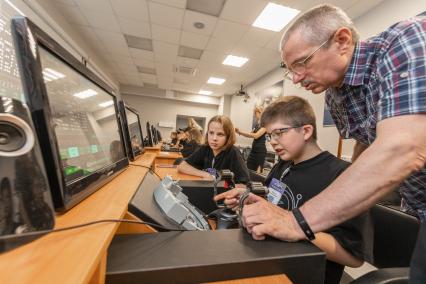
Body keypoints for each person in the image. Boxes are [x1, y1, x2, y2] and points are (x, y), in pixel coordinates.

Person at [241, 4, 425, 282]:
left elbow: (405, 148)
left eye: (302, 63)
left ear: (341, 41)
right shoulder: (336, 96)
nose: (297, 78)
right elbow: (367, 143)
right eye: (291, 70)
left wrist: (295, 222)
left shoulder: (403, 40)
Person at [216, 96, 367, 284]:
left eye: (279, 132)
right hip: (265, 259)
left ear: (306, 131)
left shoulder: (341, 175)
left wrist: (291, 226)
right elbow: (271, 205)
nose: (272, 141)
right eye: (270, 135)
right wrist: (248, 198)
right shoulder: (282, 166)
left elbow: (352, 258)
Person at [177, 115, 250, 184]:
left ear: (228, 136)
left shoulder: (234, 152)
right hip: (208, 189)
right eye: (211, 133)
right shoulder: (205, 148)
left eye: (220, 134)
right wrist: (205, 175)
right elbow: (182, 166)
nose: (214, 138)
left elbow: (243, 185)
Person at [235, 106, 267, 172]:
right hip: (253, 150)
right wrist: (239, 132)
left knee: (258, 172)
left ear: (261, 113)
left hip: (260, 151)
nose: (255, 115)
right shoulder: (257, 125)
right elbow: (250, 134)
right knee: (248, 169)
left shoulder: (265, 125)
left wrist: (240, 132)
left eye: (256, 113)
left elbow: (256, 136)